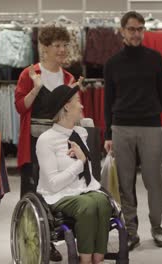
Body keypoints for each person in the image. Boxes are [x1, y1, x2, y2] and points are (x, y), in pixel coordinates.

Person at [103, 11, 162, 250]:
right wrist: (108, 135)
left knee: (154, 182)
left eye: (140, 29)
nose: (136, 33)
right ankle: (131, 230)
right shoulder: (112, 64)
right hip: (121, 127)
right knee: (125, 183)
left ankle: (156, 226)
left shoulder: (155, 59)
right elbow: (108, 101)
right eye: (131, 29)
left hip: (151, 126)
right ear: (122, 31)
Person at [14, 25, 83, 261]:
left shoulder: (69, 77)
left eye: (65, 45)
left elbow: (73, 115)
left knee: (58, 192)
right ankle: (30, 242)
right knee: (33, 191)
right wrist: (35, 89)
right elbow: (20, 107)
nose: (62, 50)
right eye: (57, 45)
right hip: (33, 145)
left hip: (60, 146)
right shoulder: (30, 74)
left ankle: (51, 240)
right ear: (44, 48)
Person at [36, 84, 112, 264]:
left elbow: (89, 172)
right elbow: (53, 184)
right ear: (66, 106)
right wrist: (80, 163)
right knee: (87, 206)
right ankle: (85, 260)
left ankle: (97, 258)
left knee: (103, 202)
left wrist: (83, 160)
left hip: (84, 188)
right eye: (78, 101)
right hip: (58, 194)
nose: (82, 106)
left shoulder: (81, 133)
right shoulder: (46, 140)